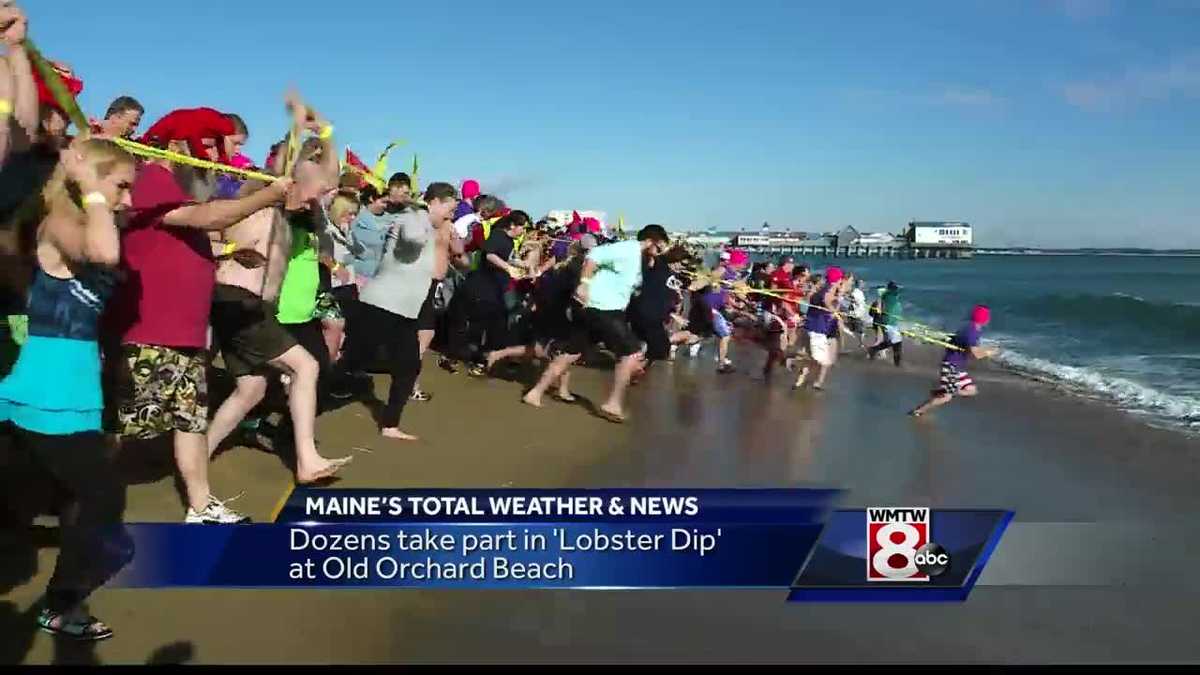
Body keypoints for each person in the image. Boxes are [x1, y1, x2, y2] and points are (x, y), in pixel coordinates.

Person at [104, 107, 292, 524]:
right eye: (207, 143)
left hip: (184, 331)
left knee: (190, 421)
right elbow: (204, 218)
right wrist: (267, 195)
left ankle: (201, 505)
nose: (215, 154)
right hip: (149, 330)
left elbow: (179, 238)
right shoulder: (150, 179)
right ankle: (80, 500)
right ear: (177, 143)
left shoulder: (178, 187)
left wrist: (228, 252)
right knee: (124, 427)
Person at [0, 138, 136, 640]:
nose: (127, 198)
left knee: (32, 490)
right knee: (101, 496)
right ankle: (60, 605)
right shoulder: (61, 221)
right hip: (47, 390)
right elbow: (104, 252)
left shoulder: (84, 220)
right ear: (88, 179)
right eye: (121, 186)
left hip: (69, 387)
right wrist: (91, 190)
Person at [333, 182, 458, 441]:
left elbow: (438, 272)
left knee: (409, 367)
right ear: (435, 202)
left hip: (405, 311)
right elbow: (411, 239)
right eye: (450, 210)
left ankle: (390, 425)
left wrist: (442, 235)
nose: (451, 216)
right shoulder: (411, 217)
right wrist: (425, 217)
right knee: (354, 360)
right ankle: (305, 401)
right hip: (380, 304)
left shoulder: (433, 229)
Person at [570, 225, 671, 423]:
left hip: (611, 308)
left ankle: (536, 391)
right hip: (602, 306)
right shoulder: (627, 249)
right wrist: (584, 284)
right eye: (659, 247)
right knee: (631, 352)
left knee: (573, 349)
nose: (660, 252)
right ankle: (612, 404)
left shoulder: (638, 258)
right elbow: (595, 255)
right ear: (650, 241)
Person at [909, 305, 998, 417]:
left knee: (971, 390)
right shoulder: (972, 332)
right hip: (951, 366)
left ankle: (943, 391)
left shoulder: (971, 329)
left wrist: (986, 350)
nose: (989, 319)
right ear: (983, 319)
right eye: (987, 317)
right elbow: (975, 354)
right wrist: (990, 352)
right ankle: (918, 411)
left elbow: (967, 348)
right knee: (946, 397)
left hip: (957, 367)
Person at [793, 266, 844, 390]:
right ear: (837, 280)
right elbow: (826, 300)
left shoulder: (819, 290)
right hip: (817, 330)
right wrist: (834, 311)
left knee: (812, 357)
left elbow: (814, 302)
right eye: (840, 279)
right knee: (824, 361)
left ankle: (800, 379)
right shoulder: (829, 290)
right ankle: (791, 362)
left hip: (808, 327)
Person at [867, 280, 904, 366]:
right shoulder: (888, 295)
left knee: (894, 342)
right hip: (888, 322)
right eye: (895, 287)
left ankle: (874, 350)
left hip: (892, 322)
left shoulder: (889, 295)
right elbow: (879, 304)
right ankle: (897, 364)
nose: (896, 289)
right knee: (896, 342)